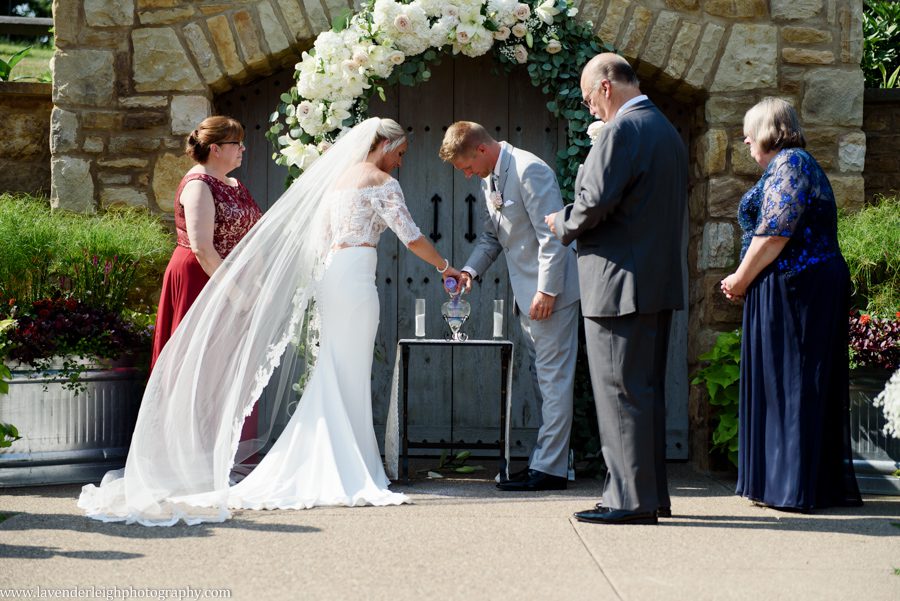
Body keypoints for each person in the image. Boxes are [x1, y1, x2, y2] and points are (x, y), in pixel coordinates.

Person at [78, 118, 459, 525]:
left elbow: (321, 237)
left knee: (332, 368)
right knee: (348, 368)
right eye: (399, 154)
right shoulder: (380, 183)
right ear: (382, 144)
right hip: (356, 279)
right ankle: (351, 465)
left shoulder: (338, 181)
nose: (399, 163)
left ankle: (341, 459)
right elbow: (410, 235)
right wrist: (445, 267)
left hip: (335, 276)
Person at [546, 53, 687, 525]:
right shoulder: (666, 130)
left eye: (589, 98)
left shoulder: (621, 131)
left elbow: (593, 204)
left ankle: (629, 500)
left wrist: (560, 221)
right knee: (644, 393)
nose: (590, 110)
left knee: (619, 393)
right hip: (654, 283)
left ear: (606, 87)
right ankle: (651, 496)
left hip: (618, 284)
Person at [721, 97, 862, 512]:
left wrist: (740, 278)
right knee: (783, 383)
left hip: (802, 288)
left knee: (795, 382)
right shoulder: (784, 167)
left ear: (768, 130)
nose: (745, 139)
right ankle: (785, 483)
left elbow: (775, 234)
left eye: (749, 130)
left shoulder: (792, 163)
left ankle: (795, 486)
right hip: (788, 286)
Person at [439, 122, 580, 491]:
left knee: (553, 383)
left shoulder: (528, 170)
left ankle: (548, 470)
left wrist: (547, 291)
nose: (468, 175)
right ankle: (557, 465)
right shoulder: (492, 179)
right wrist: (470, 270)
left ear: (482, 150)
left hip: (550, 297)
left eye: (468, 167)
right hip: (526, 297)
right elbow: (492, 237)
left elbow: (554, 236)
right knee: (543, 382)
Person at [151, 116, 261, 369]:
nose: (243, 149)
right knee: (200, 363)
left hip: (229, 277)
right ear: (216, 148)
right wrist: (237, 293)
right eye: (237, 143)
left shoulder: (234, 184)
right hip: (201, 277)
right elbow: (202, 249)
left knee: (225, 364)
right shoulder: (198, 185)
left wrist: (255, 283)